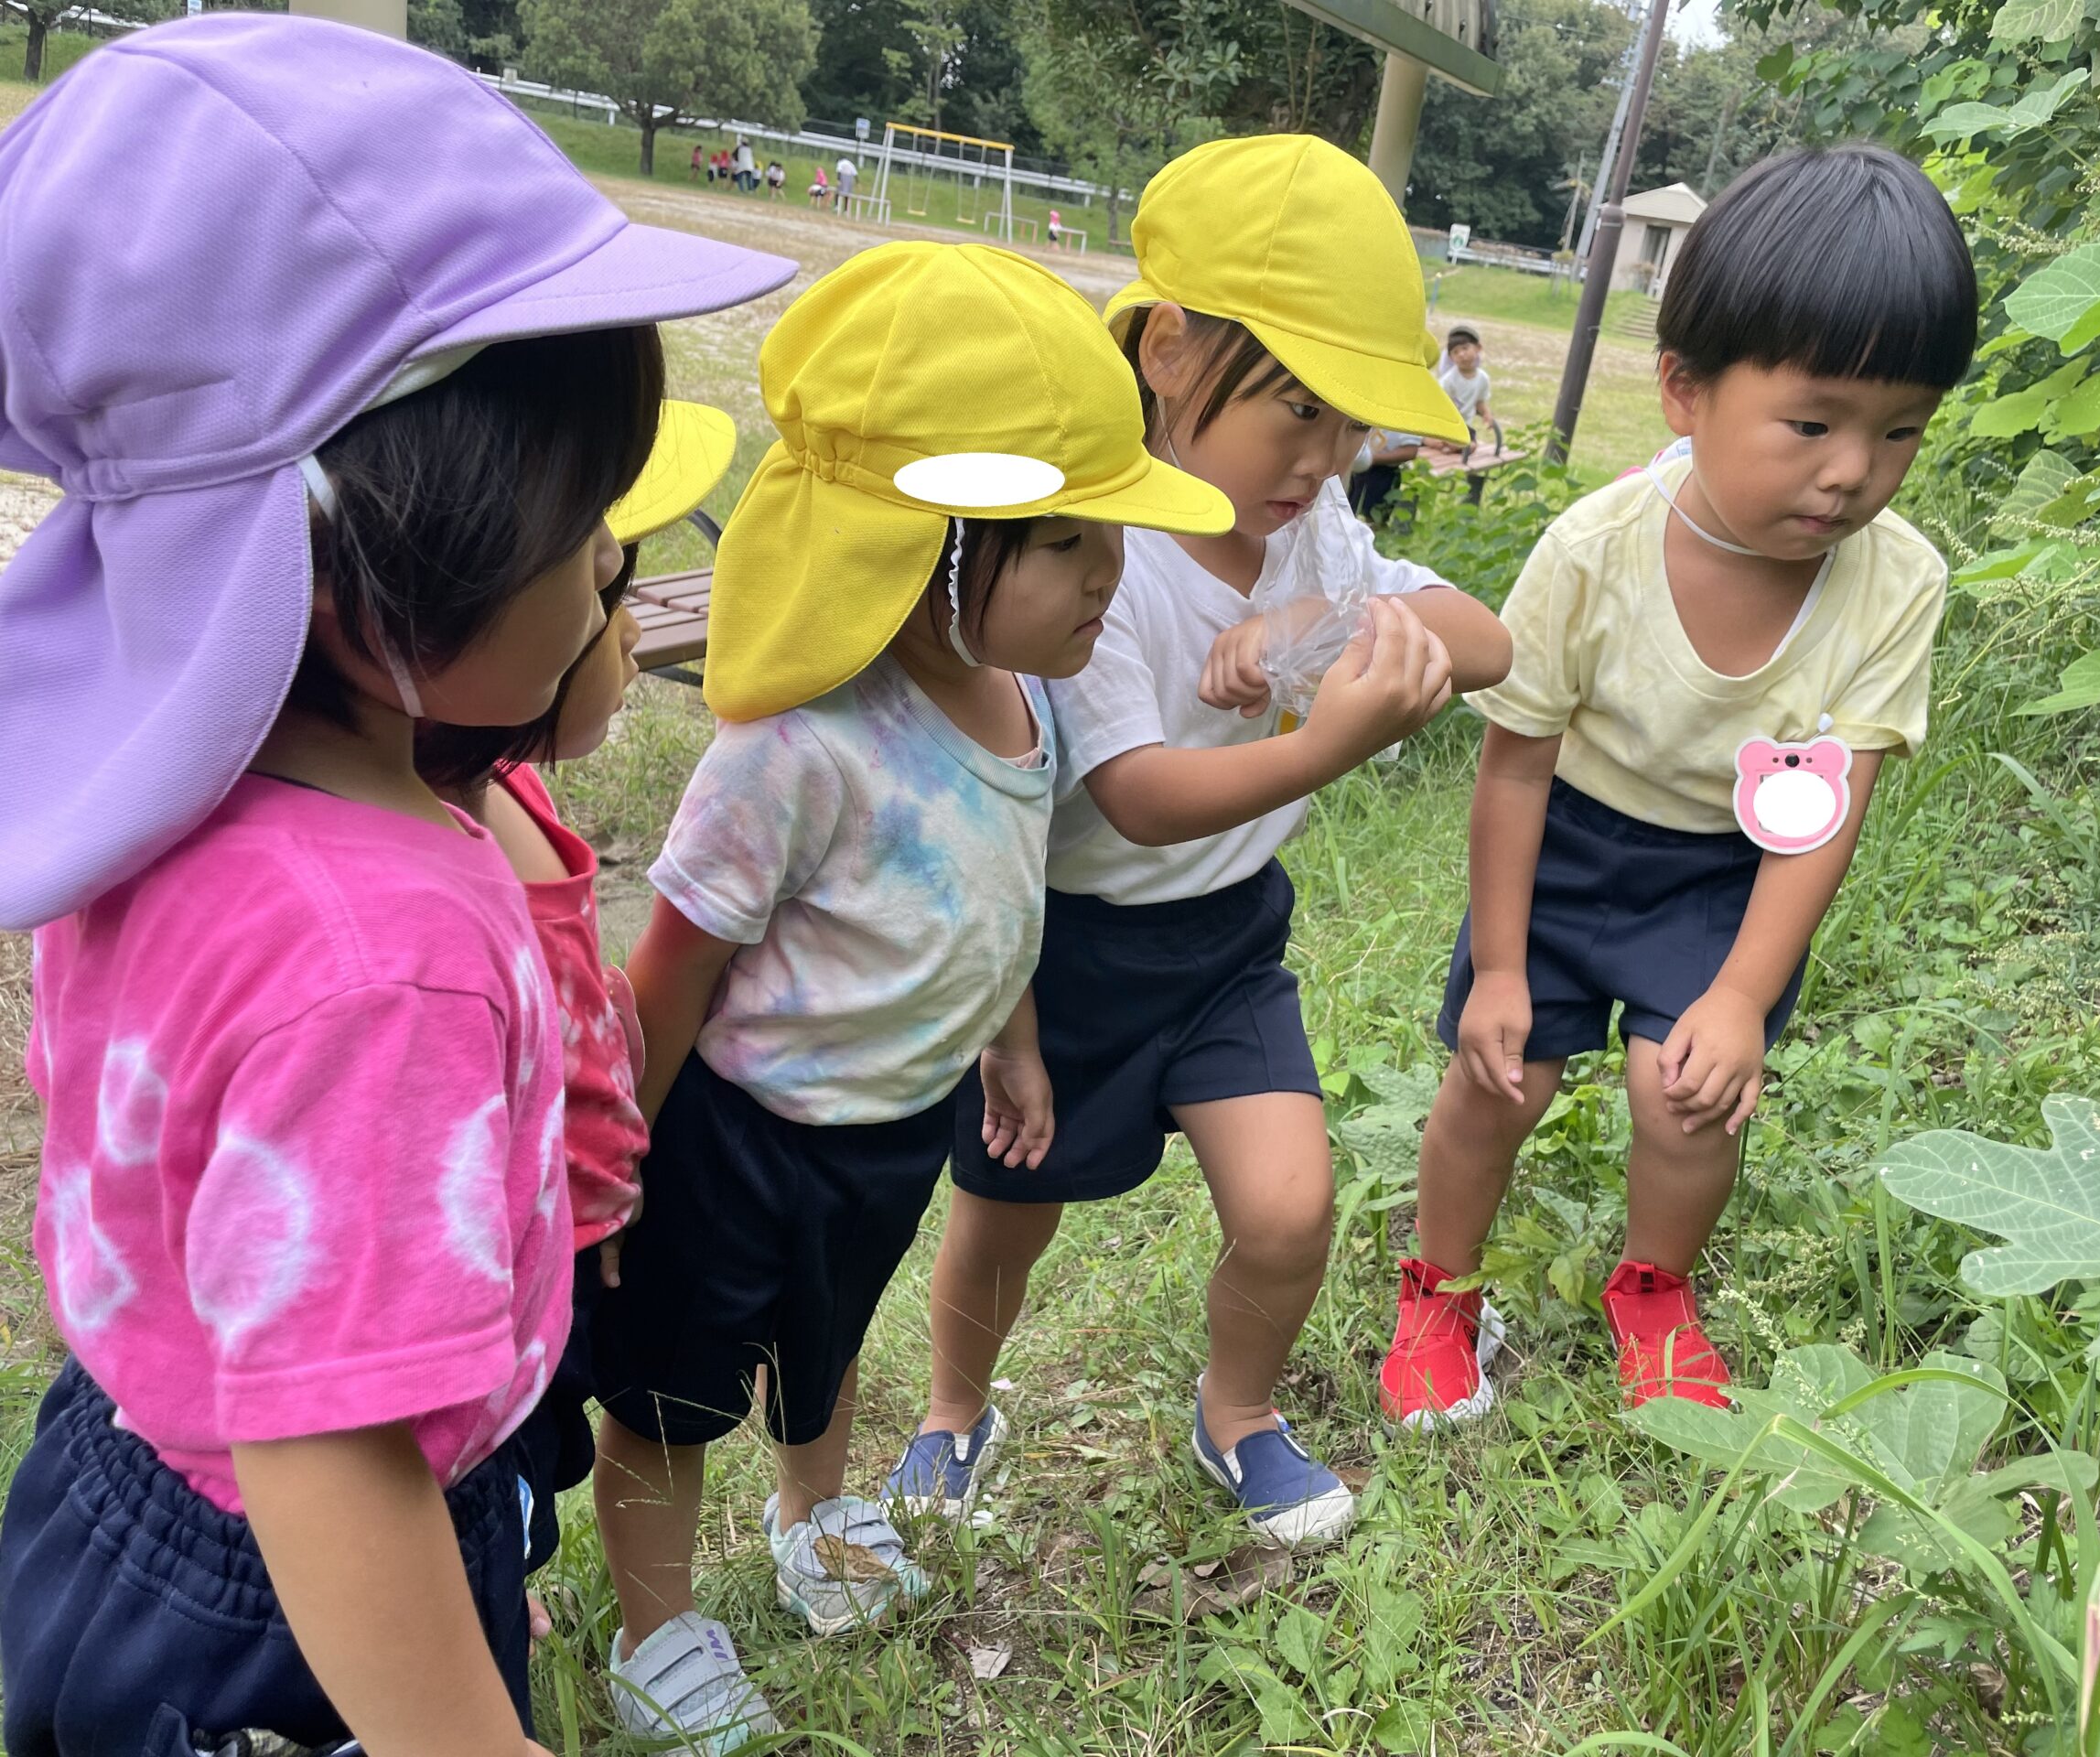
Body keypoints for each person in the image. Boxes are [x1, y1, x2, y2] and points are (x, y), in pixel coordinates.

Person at [0, 16, 794, 1757]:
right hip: (288, 1609)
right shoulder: (388, 955)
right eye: (582, 529)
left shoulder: (176, 793)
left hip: (122, 1472)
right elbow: (329, 1450)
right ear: (358, 568)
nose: (615, 558)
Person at [587, 243, 1230, 1744]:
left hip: (886, 1137)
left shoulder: (1029, 704)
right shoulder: (797, 748)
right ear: (924, 546)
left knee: (825, 1348)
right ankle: (655, 1630)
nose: (1109, 571)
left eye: (1110, 532)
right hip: (734, 1138)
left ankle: (813, 1520)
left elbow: (1000, 900)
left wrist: (1012, 1043)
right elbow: (673, 967)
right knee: (673, 1393)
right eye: (1064, 539)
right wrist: (611, 1160)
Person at [906, 135, 1511, 1550]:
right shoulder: (1094, 544)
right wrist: (1323, 743)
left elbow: (1487, 638)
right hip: (1067, 949)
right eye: (1297, 408)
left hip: (1230, 940)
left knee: (1291, 1209)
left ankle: (1236, 1412)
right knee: (1005, 1211)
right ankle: (952, 1411)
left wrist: (1323, 624)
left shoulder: (1318, 536)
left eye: (1351, 423)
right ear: (1169, 350)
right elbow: (1136, 792)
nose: (1325, 457)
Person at [1379, 143, 1977, 1428]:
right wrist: (1499, 969)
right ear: (1684, 391)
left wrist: (1743, 996)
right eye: (1812, 423)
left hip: (1725, 871)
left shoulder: (1899, 580)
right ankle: (1440, 1289)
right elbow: (1513, 767)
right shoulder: (1591, 551)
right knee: (1498, 1081)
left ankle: (1653, 1288)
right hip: (1563, 845)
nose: (1853, 471)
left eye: (1901, 431)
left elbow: (1829, 807)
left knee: (1687, 1097)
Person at [412, 399, 739, 1601]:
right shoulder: (437, 867)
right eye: (606, 591)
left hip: (574, 1246)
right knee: (492, 1477)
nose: (633, 627)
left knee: (536, 1469)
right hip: (498, 1292)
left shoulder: (508, 785)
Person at [1348, 426, 1423, 523]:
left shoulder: (1407, 422)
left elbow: (1410, 451)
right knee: (1349, 511)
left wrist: (1372, 459)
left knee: (1372, 517)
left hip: (1382, 473)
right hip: (1358, 469)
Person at [1436, 325, 1494, 447]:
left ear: (1478, 348)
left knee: (1471, 446)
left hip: (1465, 426)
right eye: (1455, 352)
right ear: (1451, 357)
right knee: (1434, 439)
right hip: (1445, 424)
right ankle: (1445, 444)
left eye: (1465, 348)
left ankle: (1450, 446)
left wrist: (1487, 414)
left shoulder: (1483, 378)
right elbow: (1439, 404)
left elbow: (1480, 402)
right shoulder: (1448, 380)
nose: (1461, 354)